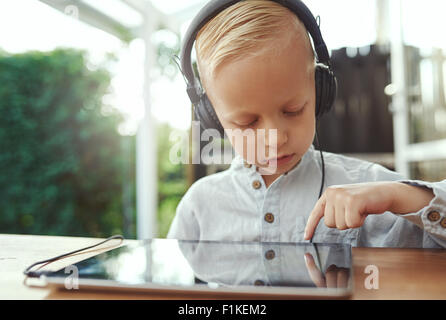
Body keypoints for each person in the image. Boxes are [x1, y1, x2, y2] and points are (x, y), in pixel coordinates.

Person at [167, 0, 446, 248]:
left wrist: (401, 195)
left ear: (320, 91)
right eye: (247, 122)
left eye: (293, 110)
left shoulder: (367, 187)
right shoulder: (198, 208)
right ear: (212, 117)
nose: (275, 139)